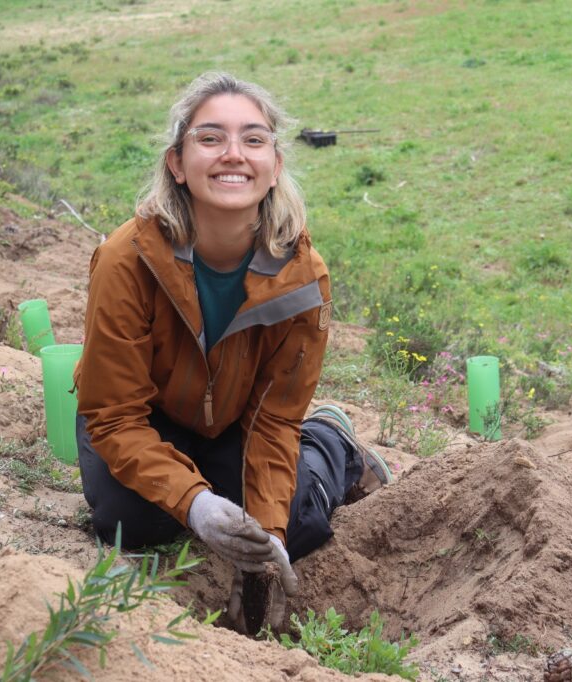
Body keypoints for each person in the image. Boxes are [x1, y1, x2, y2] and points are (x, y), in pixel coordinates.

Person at [74, 72, 393, 628]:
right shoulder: (127, 258)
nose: (233, 155)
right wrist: (196, 504)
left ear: (275, 165)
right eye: (210, 138)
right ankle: (201, 488)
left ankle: (333, 446)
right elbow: (115, 413)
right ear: (177, 163)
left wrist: (268, 534)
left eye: (253, 139)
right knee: (127, 521)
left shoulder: (301, 276)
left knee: (294, 525)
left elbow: (273, 420)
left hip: (237, 422)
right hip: (140, 420)